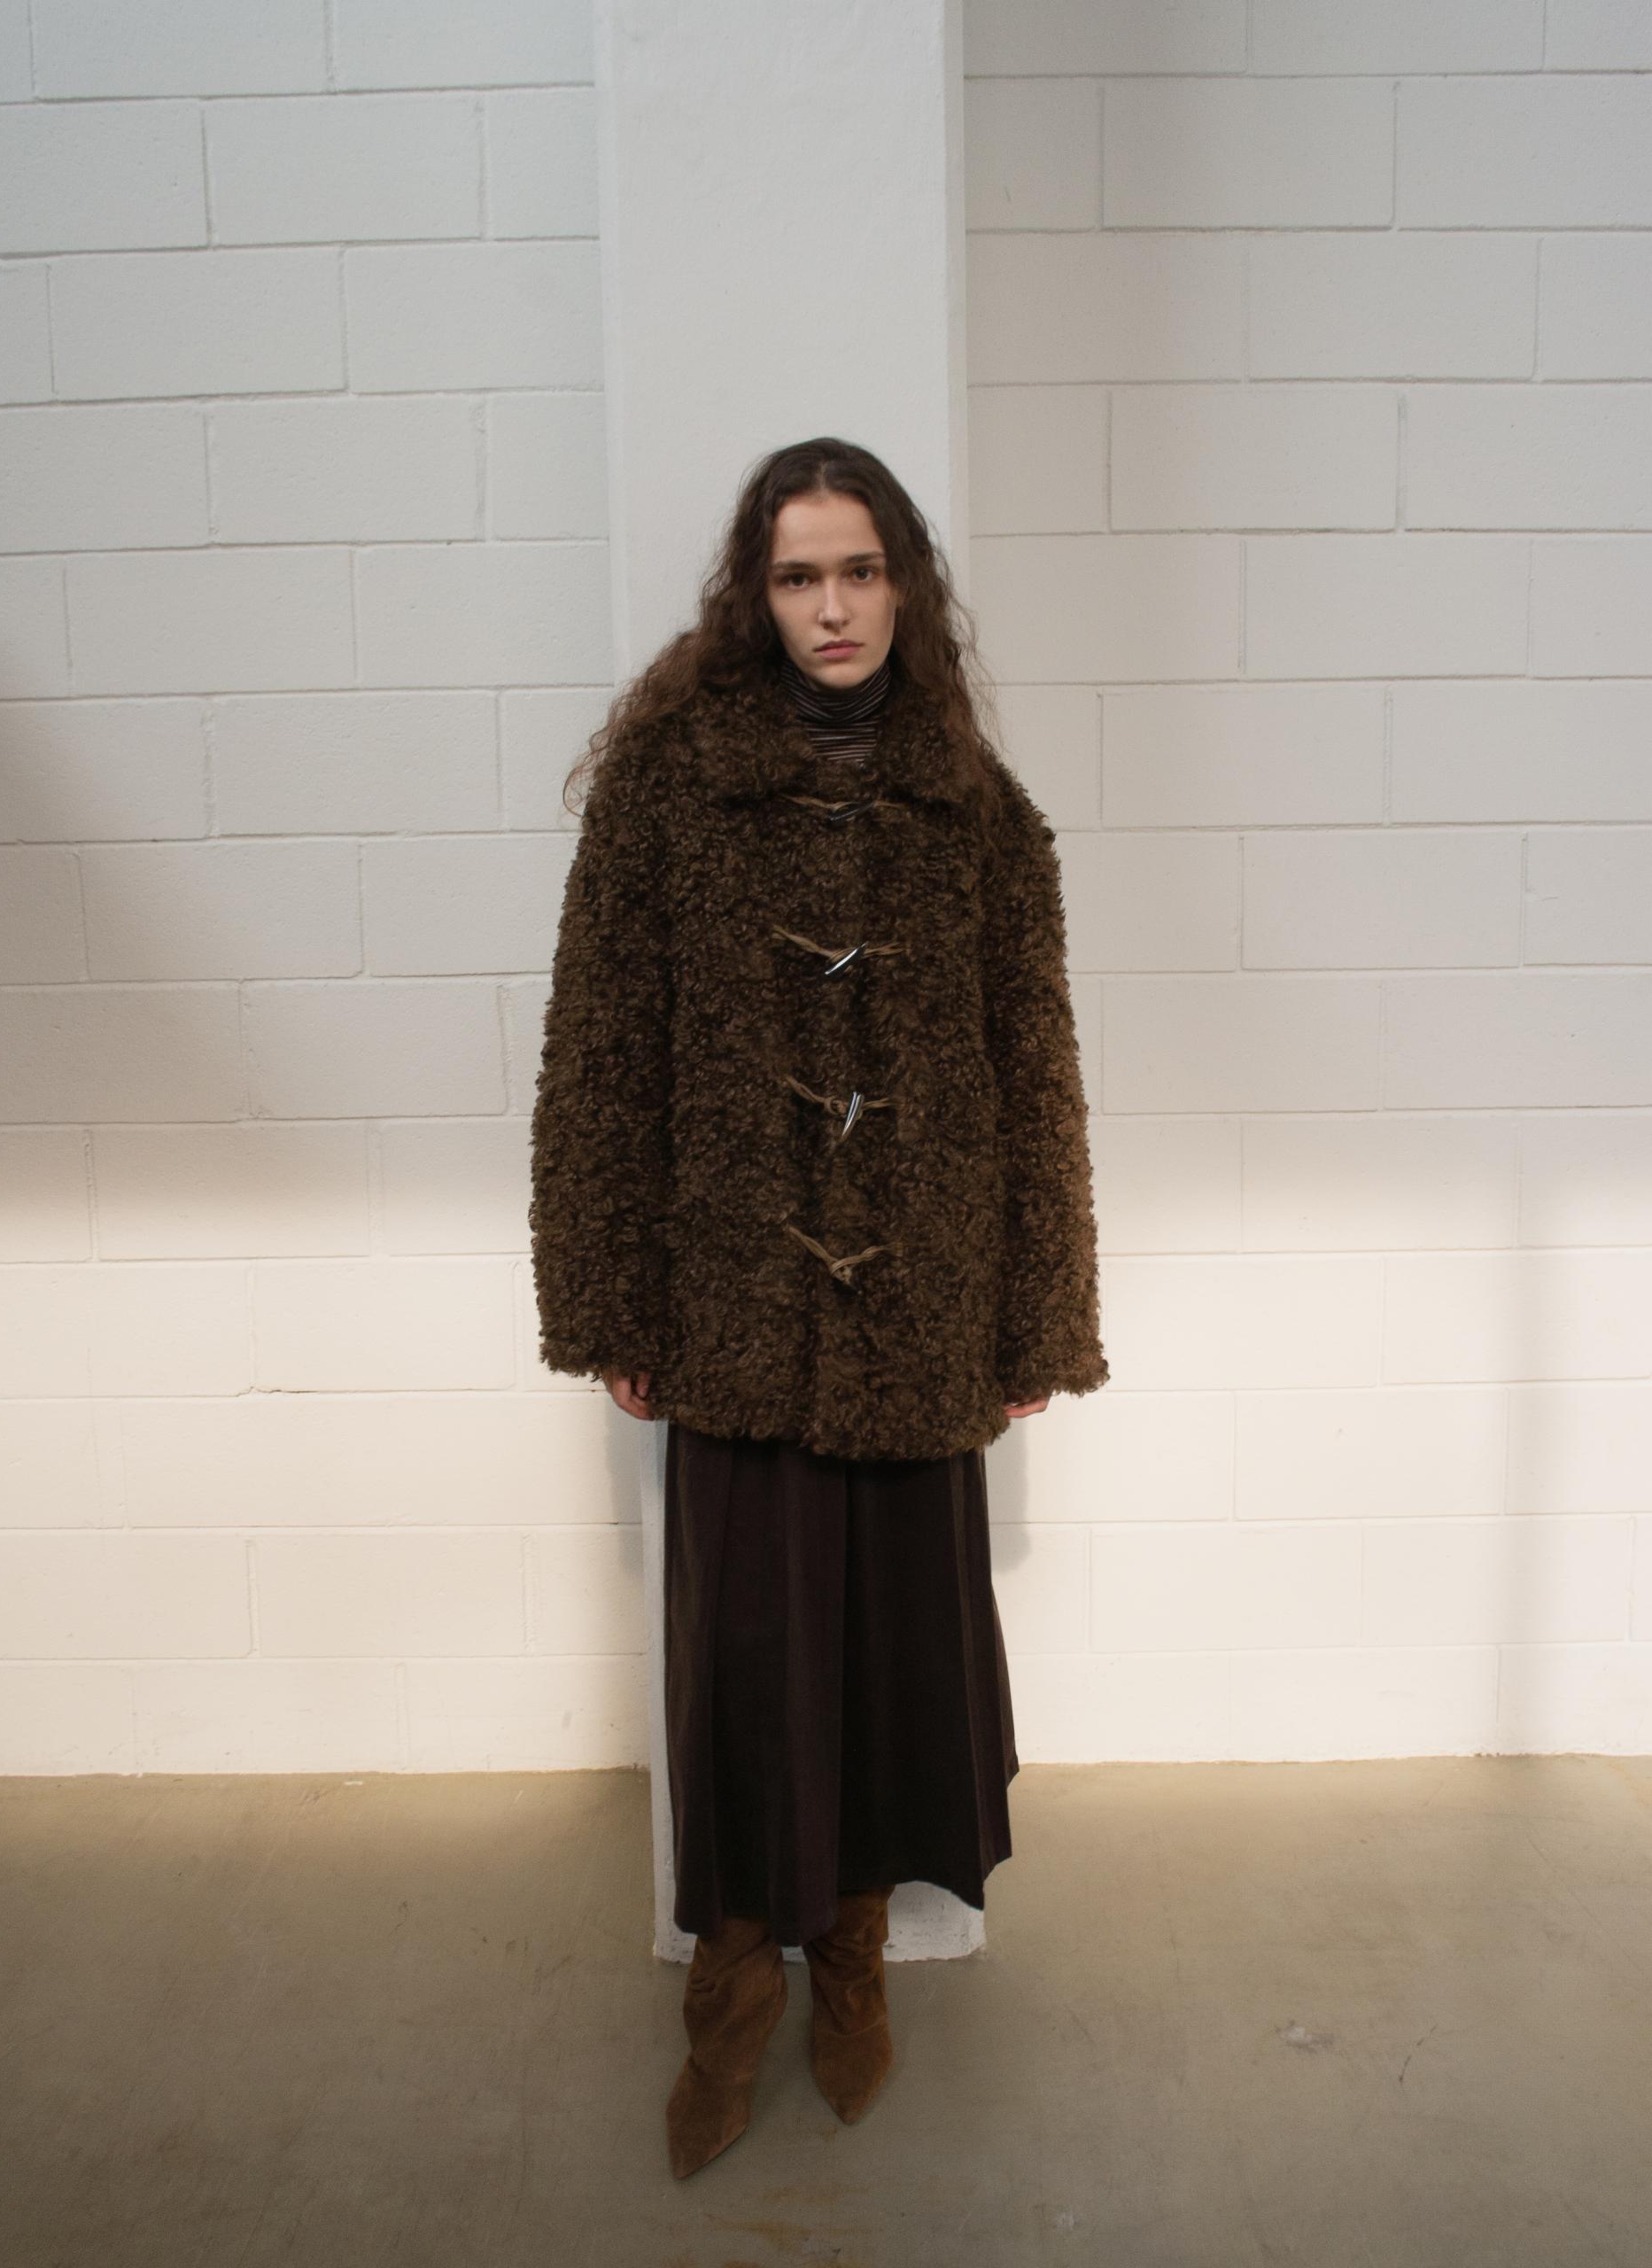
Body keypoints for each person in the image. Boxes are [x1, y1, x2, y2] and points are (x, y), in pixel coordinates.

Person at [528, 437, 1108, 2179]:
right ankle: (731, 1983)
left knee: (892, 1657)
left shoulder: (978, 811)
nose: (833, 607)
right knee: (741, 1658)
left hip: (922, 1294)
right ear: (755, 594)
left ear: (906, 586)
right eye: (799, 576)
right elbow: (600, 1055)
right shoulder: (664, 793)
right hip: (731, 1297)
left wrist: (1035, 1311)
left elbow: (1036, 1068)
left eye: (861, 571)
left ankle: (851, 1958)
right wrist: (610, 1293)